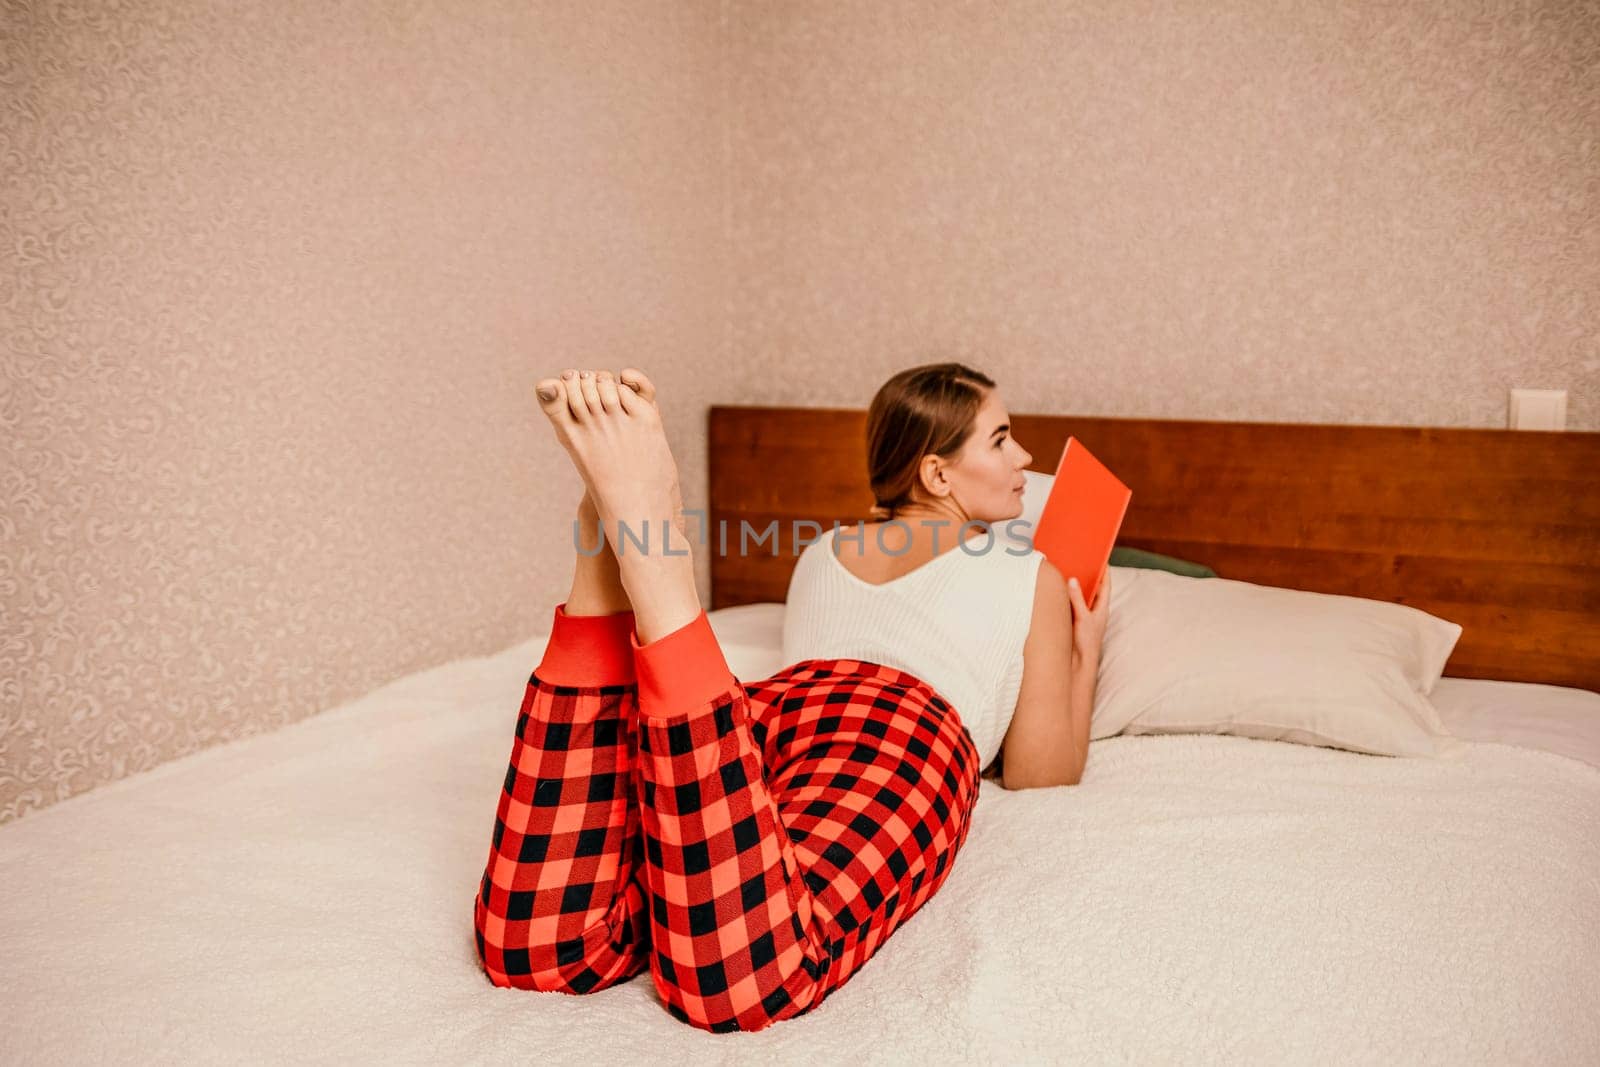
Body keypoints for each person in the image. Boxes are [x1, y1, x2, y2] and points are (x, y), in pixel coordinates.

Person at [471, 362, 1109, 1034]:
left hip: (759, 714)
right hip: (901, 728)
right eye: (1001, 438)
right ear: (937, 475)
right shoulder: (1027, 569)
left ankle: (612, 562)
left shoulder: (822, 550)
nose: (1024, 458)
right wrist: (1083, 646)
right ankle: (664, 585)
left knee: (540, 946)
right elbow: (1042, 771)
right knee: (746, 975)